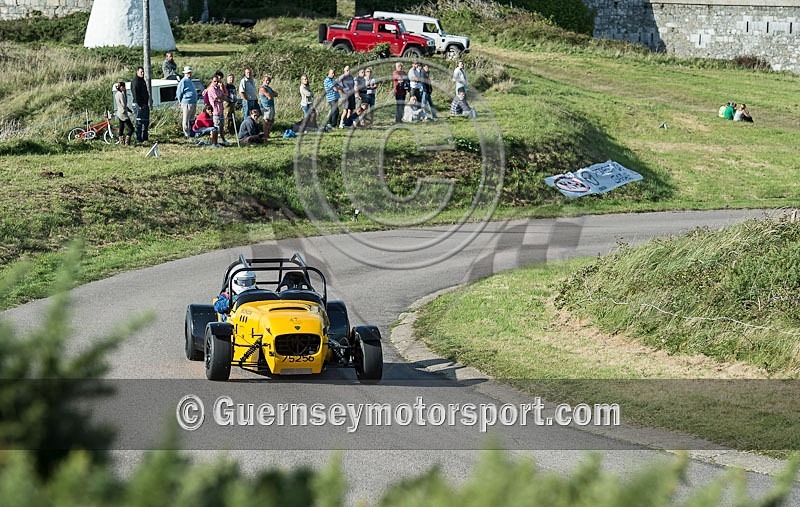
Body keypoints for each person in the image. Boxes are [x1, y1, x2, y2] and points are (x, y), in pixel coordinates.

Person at [176, 65, 198, 137]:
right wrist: (180, 100)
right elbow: (179, 92)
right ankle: (186, 133)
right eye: (187, 73)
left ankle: (191, 132)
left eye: (190, 72)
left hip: (193, 102)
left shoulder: (190, 81)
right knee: (186, 118)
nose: (189, 74)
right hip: (187, 102)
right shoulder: (183, 81)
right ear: (185, 74)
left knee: (192, 118)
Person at [207, 71, 228, 144]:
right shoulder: (211, 89)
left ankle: (223, 140)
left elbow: (224, 95)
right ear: (212, 81)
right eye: (214, 81)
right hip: (215, 110)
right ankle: (214, 142)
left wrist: (222, 96)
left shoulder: (218, 88)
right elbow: (217, 98)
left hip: (221, 109)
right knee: (215, 127)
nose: (216, 82)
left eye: (217, 81)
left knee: (221, 126)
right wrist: (222, 99)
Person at [131, 66, 150, 142]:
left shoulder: (143, 81)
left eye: (143, 72)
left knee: (146, 122)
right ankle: (138, 138)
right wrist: (140, 105)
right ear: (137, 72)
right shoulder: (135, 82)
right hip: (138, 105)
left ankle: (145, 137)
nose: (142, 73)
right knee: (139, 122)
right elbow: (135, 94)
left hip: (145, 105)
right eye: (141, 72)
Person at [258, 74, 278, 139]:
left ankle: (268, 133)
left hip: (271, 105)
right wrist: (271, 94)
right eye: (266, 80)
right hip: (266, 107)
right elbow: (269, 96)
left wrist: (271, 94)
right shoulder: (262, 88)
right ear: (263, 81)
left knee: (271, 120)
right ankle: (265, 135)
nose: (267, 82)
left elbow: (276, 94)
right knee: (266, 121)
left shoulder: (269, 88)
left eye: (268, 80)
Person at [114, 81, 134, 145]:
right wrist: (127, 109)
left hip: (119, 113)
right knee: (131, 128)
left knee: (121, 128)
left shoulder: (117, 94)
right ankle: (127, 141)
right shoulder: (121, 94)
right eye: (124, 87)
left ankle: (121, 142)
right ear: (122, 87)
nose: (125, 88)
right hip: (123, 113)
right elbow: (123, 104)